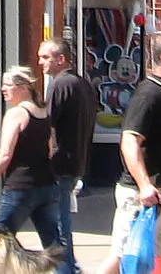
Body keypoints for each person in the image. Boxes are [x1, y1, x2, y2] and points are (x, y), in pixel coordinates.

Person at [95, 30, 161, 274]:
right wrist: (144, 185)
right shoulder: (149, 94)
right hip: (144, 196)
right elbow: (129, 140)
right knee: (122, 258)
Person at [0, 66, 60, 252]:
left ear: (23, 88)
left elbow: (5, 155)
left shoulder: (16, 114)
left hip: (20, 188)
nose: (3, 89)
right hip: (47, 185)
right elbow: (51, 150)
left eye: (8, 85)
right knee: (53, 245)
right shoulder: (44, 113)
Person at [39, 38, 98, 274]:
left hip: (61, 163)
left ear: (60, 59)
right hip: (78, 161)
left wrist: (44, 153)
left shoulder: (59, 85)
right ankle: (69, 265)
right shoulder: (83, 84)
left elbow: (48, 126)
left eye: (45, 57)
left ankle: (66, 269)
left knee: (59, 221)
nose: (40, 62)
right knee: (57, 218)